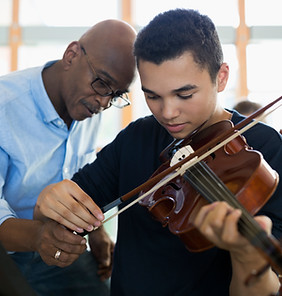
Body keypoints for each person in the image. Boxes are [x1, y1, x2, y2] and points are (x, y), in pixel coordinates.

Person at [34, 9, 282, 296]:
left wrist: (244, 255)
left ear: (221, 77)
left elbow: (261, 291)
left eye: (185, 95)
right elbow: (66, 208)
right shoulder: (136, 137)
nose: (167, 113)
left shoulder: (263, 150)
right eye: (152, 96)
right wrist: (48, 203)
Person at [0, 19, 136, 295]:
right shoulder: (5, 106)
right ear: (71, 55)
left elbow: (81, 173)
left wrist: (96, 232)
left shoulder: (88, 104)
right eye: (101, 84)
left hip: (57, 243)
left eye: (116, 94)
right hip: (10, 250)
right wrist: (39, 237)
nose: (103, 103)